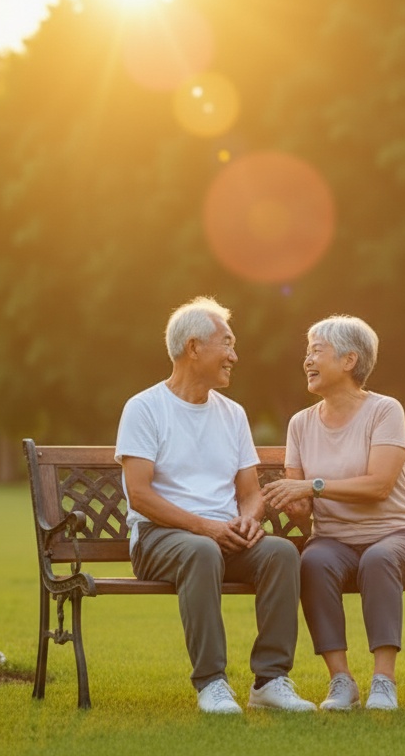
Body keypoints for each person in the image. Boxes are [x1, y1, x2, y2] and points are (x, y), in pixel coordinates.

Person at [115, 296, 316, 714]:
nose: (234, 356)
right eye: (226, 343)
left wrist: (247, 521)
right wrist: (205, 527)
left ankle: (271, 681)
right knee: (202, 550)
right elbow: (140, 495)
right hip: (161, 539)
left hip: (223, 536)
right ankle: (211, 682)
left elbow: (248, 491)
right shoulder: (144, 408)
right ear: (193, 348)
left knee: (280, 552)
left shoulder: (233, 414)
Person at [261, 315, 405, 712]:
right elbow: (304, 508)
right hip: (334, 540)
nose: (307, 359)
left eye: (317, 351)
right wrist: (297, 503)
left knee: (378, 558)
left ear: (349, 360)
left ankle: (383, 681)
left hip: (397, 537)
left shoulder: (384, 410)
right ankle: (341, 681)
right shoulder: (300, 424)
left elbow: (379, 486)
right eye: (306, 352)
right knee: (313, 561)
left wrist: (313, 486)